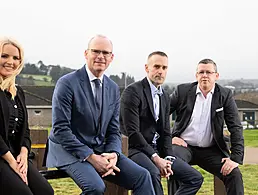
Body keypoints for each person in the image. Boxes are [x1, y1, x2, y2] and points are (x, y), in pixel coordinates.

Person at [46, 35, 155, 195]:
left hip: (100, 150)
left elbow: (113, 130)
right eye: (96, 51)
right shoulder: (67, 83)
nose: (100, 56)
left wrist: (113, 153)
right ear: (86, 53)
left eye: (105, 53)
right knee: (95, 187)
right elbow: (61, 129)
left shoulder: (112, 88)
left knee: (143, 176)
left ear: (112, 57)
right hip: (67, 151)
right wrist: (90, 156)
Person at [120, 51, 203, 195]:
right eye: (157, 67)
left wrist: (169, 158)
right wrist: (156, 158)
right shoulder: (132, 92)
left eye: (164, 68)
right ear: (147, 68)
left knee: (195, 178)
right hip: (134, 149)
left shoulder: (164, 95)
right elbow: (133, 133)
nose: (161, 71)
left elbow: (165, 131)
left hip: (157, 150)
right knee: (153, 173)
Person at [170, 58, 244, 195]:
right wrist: (170, 137)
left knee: (234, 174)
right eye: (201, 72)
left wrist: (235, 158)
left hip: (211, 149)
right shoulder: (182, 91)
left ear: (216, 76)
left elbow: (236, 127)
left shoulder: (225, 95)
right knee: (174, 164)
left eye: (209, 72)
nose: (205, 75)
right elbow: (161, 116)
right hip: (184, 146)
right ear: (196, 75)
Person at [0, 37, 54, 195]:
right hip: (2, 157)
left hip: (16, 156)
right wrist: (11, 161)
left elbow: (25, 131)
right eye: (4, 56)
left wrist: (23, 155)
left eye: (16, 58)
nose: (11, 61)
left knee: (46, 192)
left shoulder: (18, 93)